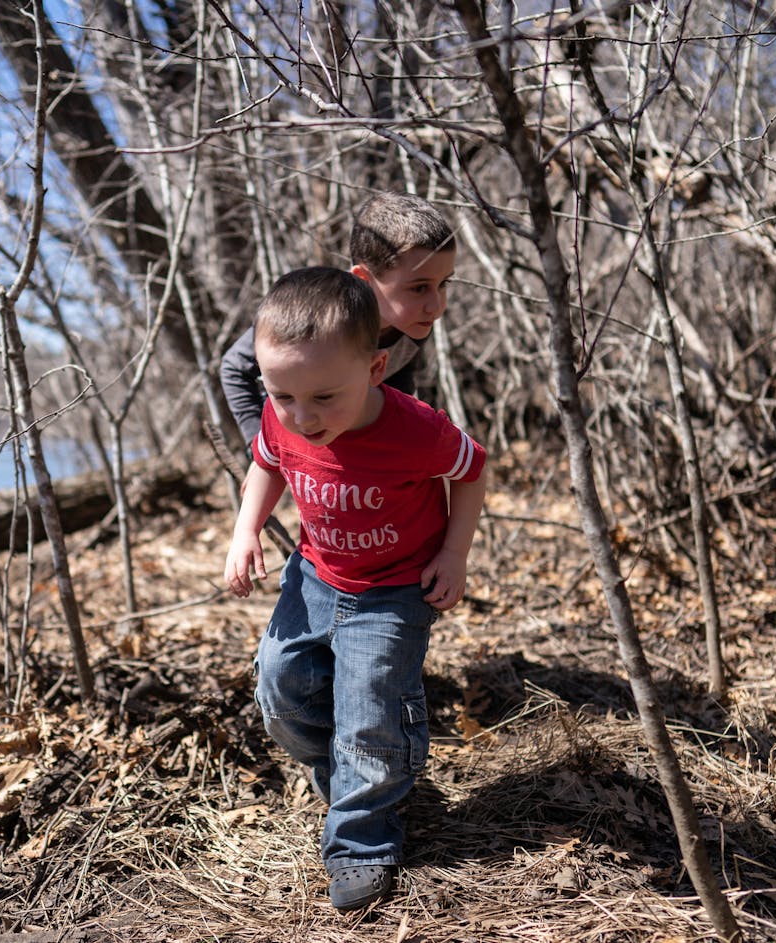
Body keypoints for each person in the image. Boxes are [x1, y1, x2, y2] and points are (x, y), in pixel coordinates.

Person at [223, 266, 488, 911]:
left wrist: (454, 552)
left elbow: (473, 470)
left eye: (321, 398)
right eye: (282, 395)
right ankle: (357, 773)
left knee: (368, 711)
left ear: (374, 369)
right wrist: (244, 531)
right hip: (314, 574)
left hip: (395, 589)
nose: (300, 416)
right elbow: (266, 459)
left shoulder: (415, 429)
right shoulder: (283, 410)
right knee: (281, 689)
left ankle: (364, 840)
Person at [218, 191, 457, 448]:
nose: (436, 306)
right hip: (295, 442)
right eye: (419, 288)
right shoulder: (315, 311)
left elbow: (396, 384)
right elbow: (235, 369)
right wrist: (260, 448)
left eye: (443, 284)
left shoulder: (413, 321)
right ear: (364, 279)